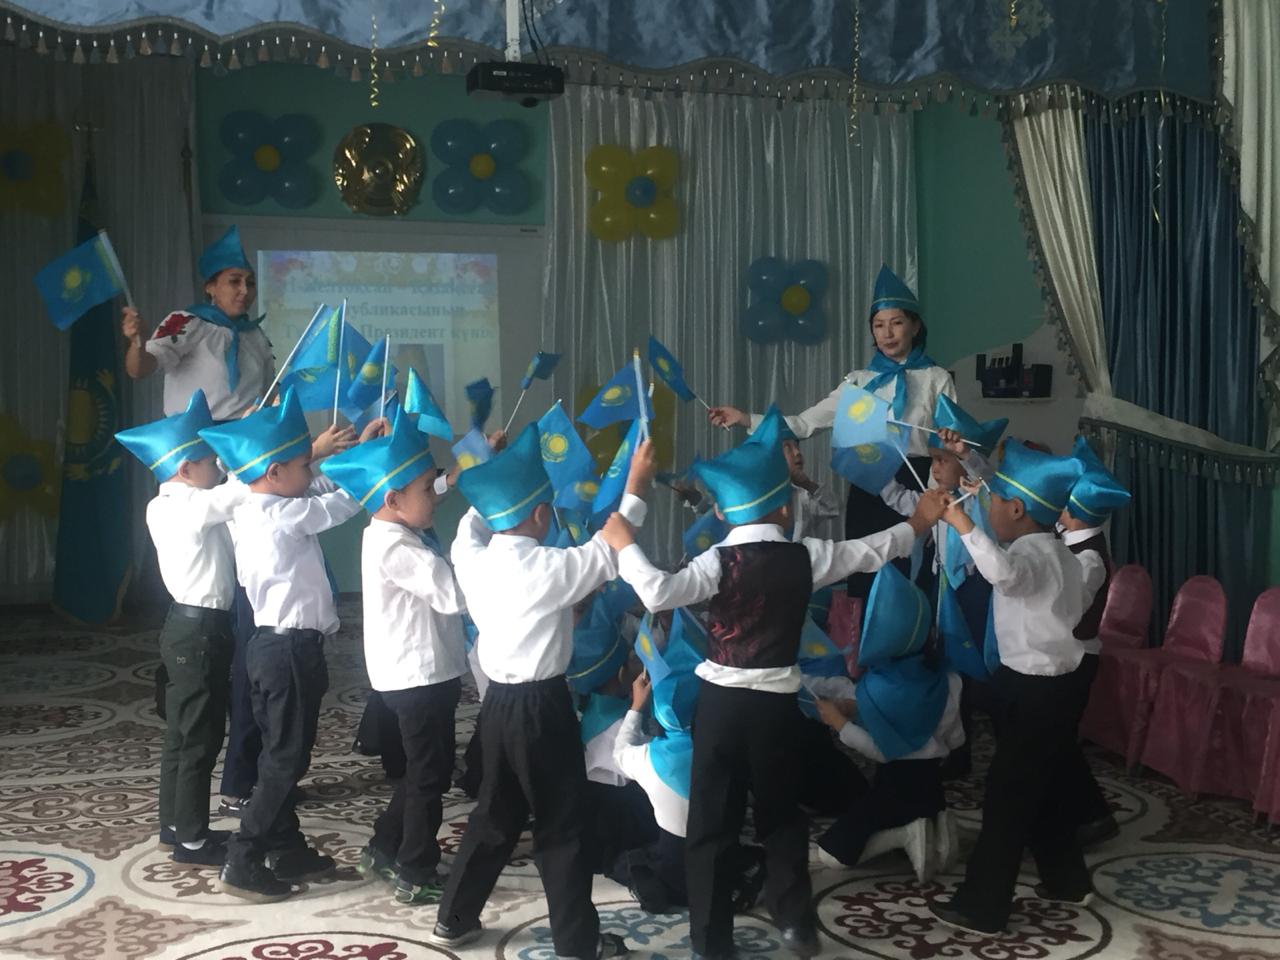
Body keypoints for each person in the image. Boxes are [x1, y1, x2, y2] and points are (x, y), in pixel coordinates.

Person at [601, 428, 947, 960]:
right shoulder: (806, 556)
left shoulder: (718, 561)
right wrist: (920, 521)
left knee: (711, 824)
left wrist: (625, 544)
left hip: (720, 708)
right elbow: (871, 551)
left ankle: (711, 941)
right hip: (777, 708)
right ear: (784, 509)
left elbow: (657, 592)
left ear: (725, 514)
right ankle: (796, 922)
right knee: (781, 816)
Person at [429, 424, 648, 959]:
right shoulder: (548, 566)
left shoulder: (472, 558)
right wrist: (637, 485)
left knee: (494, 813)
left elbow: (469, 526)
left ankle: (453, 918)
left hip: (497, 706)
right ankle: (577, 942)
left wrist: (490, 476)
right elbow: (608, 550)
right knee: (562, 823)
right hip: (542, 707)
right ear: (542, 515)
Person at [198, 387, 381, 902]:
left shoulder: (260, 505)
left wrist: (357, 453)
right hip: (289, 652)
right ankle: (244, 857)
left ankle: (286, 845)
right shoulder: (281, 514)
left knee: (278, 753)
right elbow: (339, 504)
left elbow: (318, 488)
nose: (310, 468)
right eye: (303, 462)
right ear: (274, 473)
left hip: (269, 648)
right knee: (286, 760)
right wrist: (374, 466)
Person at [928, 441, 1107, 935]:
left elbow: (1004, 576)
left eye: (992, 502)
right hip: (1052, 687)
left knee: (1006, 799)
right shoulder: (1063, 553)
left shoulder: (1028, 554)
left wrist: (961, 525)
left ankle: (982, 906)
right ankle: (1067, 879)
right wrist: (973, 473)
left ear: (1017, 509)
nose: (985, 510)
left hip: (1035, 690)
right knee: (1041, 788)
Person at [708, 265, 956, 599]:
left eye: (896, 323)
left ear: (914, 325)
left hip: (919, 481)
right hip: (870, 487)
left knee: (915, 574)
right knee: (867, 571)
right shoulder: (859, 382)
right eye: (879, 325)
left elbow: (947, 445)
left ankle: (918, 631)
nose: (887, 333)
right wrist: (743, 418)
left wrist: (935, 497)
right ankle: (865, 633)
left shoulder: (937, 378)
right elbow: (803, 424)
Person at [319, 413, 470, 904]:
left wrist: (452, 479)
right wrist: (480, 541)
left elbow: (425, 497)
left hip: (418, 674)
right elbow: (454, 594)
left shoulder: (387, 531)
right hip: (419, 678)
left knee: (425, 771)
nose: (435, 496)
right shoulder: (400, 548)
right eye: (427, 488)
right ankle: (415, 869)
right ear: (393, 500)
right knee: (429, 777)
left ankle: (385, 846)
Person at [114, 390, 246, 867]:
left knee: (182, 733)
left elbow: (228, 489)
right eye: (210, 461)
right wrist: (266, 447)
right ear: (186, 469)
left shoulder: (175, 502)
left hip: (191, 629)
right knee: (198, 737)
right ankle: (191, 839)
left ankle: (174, 825)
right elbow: (240, 490)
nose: (218, 468)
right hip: (199, 632)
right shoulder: (183, 506)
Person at [813, 564, 963, 874]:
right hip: (933, 785)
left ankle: (905, 835)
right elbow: (955, 737)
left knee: (831, 854)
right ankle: (936, 824)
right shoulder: (948, 679)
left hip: (894, 788)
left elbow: (881, 751)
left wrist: (839, 723)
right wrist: (857, 709)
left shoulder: (875, 685)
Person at [1058, 435, 1132, 849]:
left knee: (1059, 740)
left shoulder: (1089, 558)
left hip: (1077, 657)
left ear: (1075, 512)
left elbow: (1069, 611)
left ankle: (1093, 815)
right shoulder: (1069, 538)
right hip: (1067, 654)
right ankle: (1081, 812)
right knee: (1056, 741)